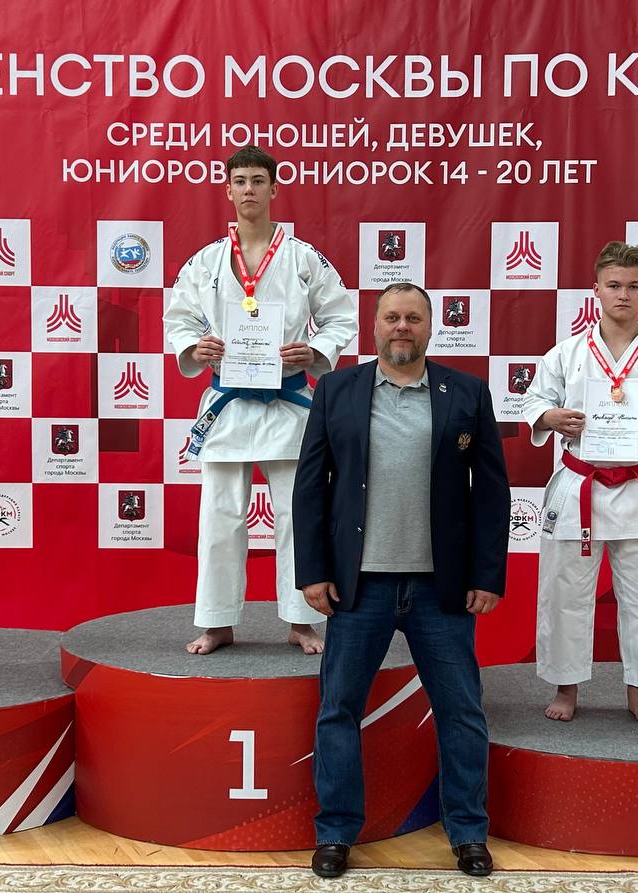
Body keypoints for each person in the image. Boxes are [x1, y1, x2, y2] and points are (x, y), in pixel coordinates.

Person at [294, 283, 510, 878]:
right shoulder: (336, 390)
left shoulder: (466, 392)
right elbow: (310, 486)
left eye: (413, 317)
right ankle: (336, 832)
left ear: (430, 327)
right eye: (392, 316)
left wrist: (487, 574)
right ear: (375, 325)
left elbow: (492, 493)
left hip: (442, 588)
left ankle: (468, 832)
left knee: (461, 712)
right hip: (357, 586)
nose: (402, 327)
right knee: (338, 711)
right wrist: (312, 571)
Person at [164, 146, 356, 655]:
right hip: (228, 402)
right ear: (228, 191)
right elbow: (178, 318)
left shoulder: (303, 258)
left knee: (297, 515)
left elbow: (341, 316)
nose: (248, 189)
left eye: (257, 180)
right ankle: (217, 621)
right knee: (220, 517)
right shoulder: (205, 260)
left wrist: (314, 350)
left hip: (288, 403)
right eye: (240, 181)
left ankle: (301, 619)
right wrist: (195, 347)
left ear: (274, 188)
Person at [522, 242, 638, 724]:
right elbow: (534, 399)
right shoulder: (567, 353)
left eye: (634, 286)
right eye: (614, 285)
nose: (623, 294)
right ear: (596, 289)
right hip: (579, 484)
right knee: (565, 592)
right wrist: (550, 416)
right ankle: (566, 687)